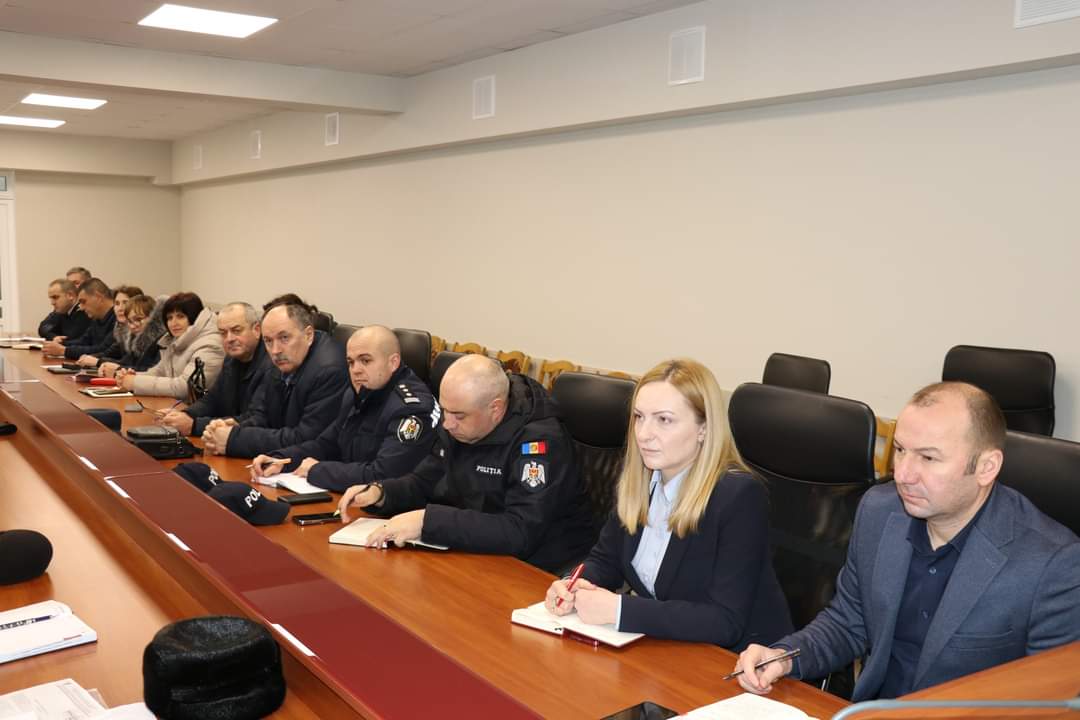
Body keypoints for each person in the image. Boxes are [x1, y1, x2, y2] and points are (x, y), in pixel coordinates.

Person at [734, 382, 1080, 701]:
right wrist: (786, 657)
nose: (902, 474)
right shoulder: (879, 511)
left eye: (928, 458)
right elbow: (849, 622)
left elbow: (1050, 704)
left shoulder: (1052, 565)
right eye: (900, 450)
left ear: (986, 467)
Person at [543, 359, 792, 649]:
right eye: (639, 417)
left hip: (742, 660)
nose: (643, 434)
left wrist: (619, 610)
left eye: (664, 420)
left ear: (703, 428)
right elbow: (605, 560)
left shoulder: (737, 496)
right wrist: (573, 585)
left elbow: (725, 621)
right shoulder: (639, 480)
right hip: (670, 647)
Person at [337, 353, 595, 573]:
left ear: (495, 408)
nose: (447, 423)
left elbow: (519, 531)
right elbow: (425, 481)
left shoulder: (539, 442)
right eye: (444, 410)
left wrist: (428, 521)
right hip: (477, 552)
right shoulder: (460, 424)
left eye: (458, 415)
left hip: (539, 569)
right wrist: (381, 492)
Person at [251, 325, 438, 493]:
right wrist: (282, 460)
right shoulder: (358, 392)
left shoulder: (412, 409)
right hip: (352, 498)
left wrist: (317, 470)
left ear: (393, 362)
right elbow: (327, 444)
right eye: (350, 362)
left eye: (365, 361)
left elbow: (384, 475)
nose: (355, 370)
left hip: (393, 511)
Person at [201, 297, 347, 457]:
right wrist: (235, 427)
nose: (275, 350)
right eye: (268, 341)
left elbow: (306, 440)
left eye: (284, 338)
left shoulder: (329, 370)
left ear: (308, 335)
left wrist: (234, 439)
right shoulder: (281, 360)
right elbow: (263, 415)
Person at [160, 302, 270, 437]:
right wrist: (185, 414)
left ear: (257, 330)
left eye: (236, 331)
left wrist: (194, 425)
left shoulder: (271, 364)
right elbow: (213, 399)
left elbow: (254, 419)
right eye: (223, 333)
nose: (229, 339)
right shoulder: (231, 359)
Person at [117, 292, 224, 399]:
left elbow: (186, 387)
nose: (174, 323)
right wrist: (132, 377)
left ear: (194, 317)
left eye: (180, 316)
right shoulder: (176, 339)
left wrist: (135, 382)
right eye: (169, 318)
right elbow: (159, 371)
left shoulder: (210, 345)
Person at [41, 278, 116, 360]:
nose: (81, 308)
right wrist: (58, 345)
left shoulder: (117, 319)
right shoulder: (97, 317)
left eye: (83, 302)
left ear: (98, 297)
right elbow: (84, 341)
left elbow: (103, 349)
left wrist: (64, 350)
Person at [76, 284, 142, 368]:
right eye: (117, 303)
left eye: (125, 303)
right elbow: (109, 353)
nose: (120, 308)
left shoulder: (139, 333)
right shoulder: (121, 331)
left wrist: (97, 362)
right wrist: (90, 357)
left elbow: (128, 364)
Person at [98, 294, 166, 375]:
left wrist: (117, 368)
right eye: (130, 321)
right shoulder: (134, 342)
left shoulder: (162, 342)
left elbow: (151, 371)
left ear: (152, 319)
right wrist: (105, 365)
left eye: (138, 319)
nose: (132, 326)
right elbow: (125, 363)